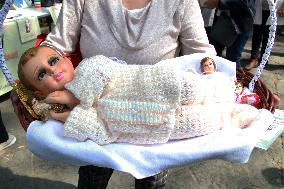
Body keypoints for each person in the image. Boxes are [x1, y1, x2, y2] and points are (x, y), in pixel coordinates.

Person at [41, 0, 217, 188]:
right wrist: (27, 81)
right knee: (92, 178)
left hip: (155, 123)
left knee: (151, 182)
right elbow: (55, 46)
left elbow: (200, 53)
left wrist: (213, 69)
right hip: (94, 117)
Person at [18, 45, 260, 145]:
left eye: (53, 61)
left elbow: (104, 71)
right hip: (150, 123)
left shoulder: (89, 67)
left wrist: (75, 96)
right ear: (40, 91)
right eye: (41, 74)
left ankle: (221, 90)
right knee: (197, 122)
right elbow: (102, 132)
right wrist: (69, 117)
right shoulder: (66, 111)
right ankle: (230, 115)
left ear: (67, 60)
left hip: (159, 85)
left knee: (193, 88)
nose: (52, 70)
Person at [204, 0, 257, 68]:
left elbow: (244, 2)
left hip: (239, 26)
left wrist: (219, 3)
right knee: (212, 57)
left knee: (232, 62)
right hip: (221, 21)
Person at [246, 0, 284, 70]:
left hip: (275, 9)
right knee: (256, 35)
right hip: (259, 8)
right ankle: (254, 59)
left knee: (268, 36)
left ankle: (264, 58)